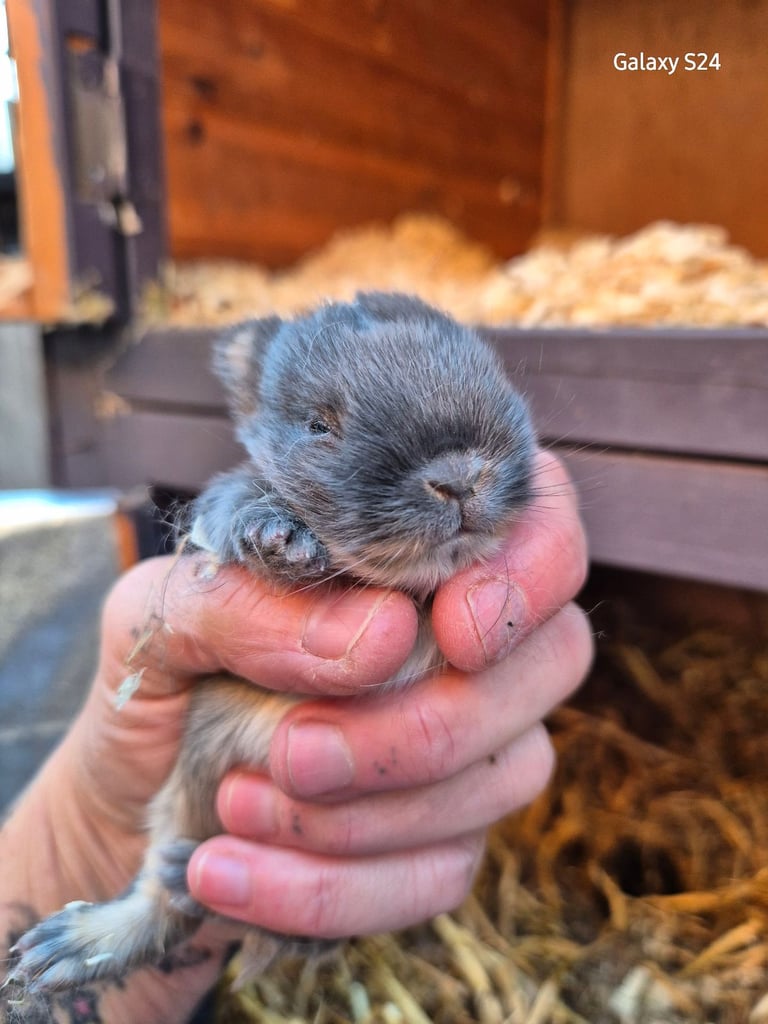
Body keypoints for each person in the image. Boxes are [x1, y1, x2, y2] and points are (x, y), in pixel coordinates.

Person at [0, 452, 592, 1024]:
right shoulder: (277, 479)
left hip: (274, 836)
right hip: (220, 759)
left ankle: (251, 914)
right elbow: (225, 506)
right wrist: (258, 529)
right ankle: (160, 907)